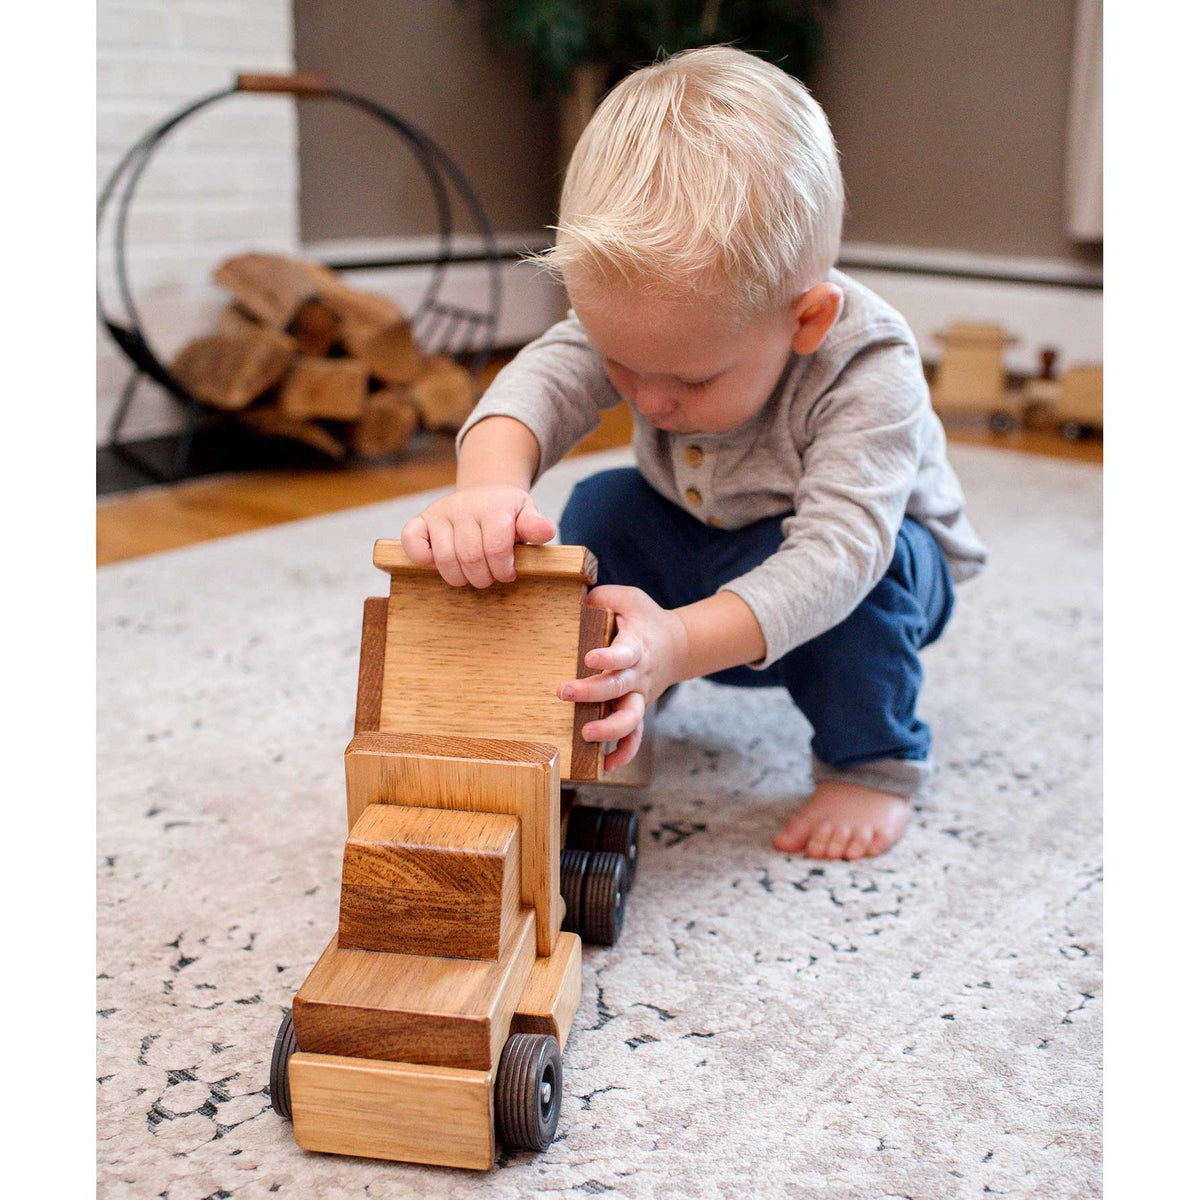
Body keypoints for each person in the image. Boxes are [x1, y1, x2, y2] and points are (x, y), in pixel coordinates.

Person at [400, 46, 987, 860]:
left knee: (872, 581)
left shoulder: (868, 363)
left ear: (806, 319)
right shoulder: (654, 321)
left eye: (688, 378)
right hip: (703, 540)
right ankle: (614, 687)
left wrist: (679, 643)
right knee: (604, 507)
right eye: (621, 364)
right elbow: (542, 380)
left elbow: (840, 553)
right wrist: (486, 489)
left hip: (857, 572)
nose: (649, 400)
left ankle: (872, 758)